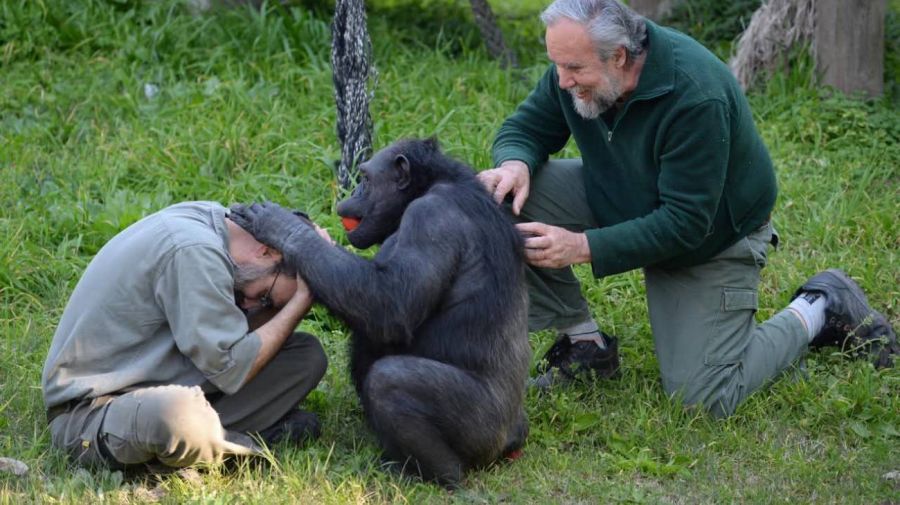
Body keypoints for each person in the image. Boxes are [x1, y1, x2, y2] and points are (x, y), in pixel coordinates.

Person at [478, 0, 897, 417]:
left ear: (619, 56)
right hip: (624, 193)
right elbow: (526, 127)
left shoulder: (694, 94)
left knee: (704, 398)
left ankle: (820, 307)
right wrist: (514, 164)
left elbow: (685, 223)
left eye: (573, 69)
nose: (563, 81)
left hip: (708, 238)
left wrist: (583, 245)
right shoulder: (578, 68)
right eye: (557, 66)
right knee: (496, 200)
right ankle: (586, 346)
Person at [42, 201, 328, 470]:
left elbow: (235, 342)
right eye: (266, 297)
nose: (255, 307)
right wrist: (300, 302)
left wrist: (316, 257)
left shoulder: (221, 227)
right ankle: (245, 447)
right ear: (266, 251)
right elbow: (231, 367)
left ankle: (204, 441)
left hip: (164, 380)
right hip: (91, 413)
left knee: (305, 356)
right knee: (179, 415)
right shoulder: (195, 251)